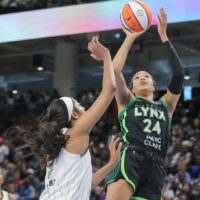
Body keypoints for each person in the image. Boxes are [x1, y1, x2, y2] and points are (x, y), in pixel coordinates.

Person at [20, 37, 121, 200]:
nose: (84, 108)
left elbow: (85, 185)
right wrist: (106, 56)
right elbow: (110, 90)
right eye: (79, 105)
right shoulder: (75, 133)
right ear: (74, 115)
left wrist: (110, 165)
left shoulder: (59, 142)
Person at [106, 8, 184, 200]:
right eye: (137, 77)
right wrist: (130, 38)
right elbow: (114, 71)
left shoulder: (166, 106)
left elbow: (179, 75)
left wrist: (164, 36)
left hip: (156, 167)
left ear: (154, 86)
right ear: (131, 87)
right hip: (132, 158)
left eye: (146, 76)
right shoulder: (128, 100)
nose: (142, 78)